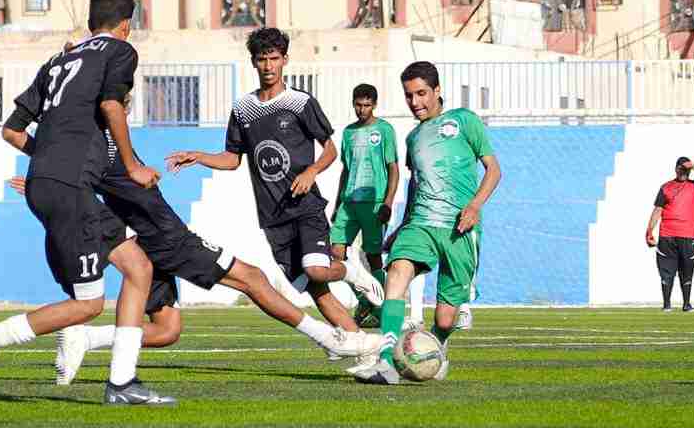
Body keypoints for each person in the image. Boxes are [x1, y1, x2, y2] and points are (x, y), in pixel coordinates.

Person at [7, 89, 382, 385]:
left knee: (167, 330)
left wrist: (48, 175)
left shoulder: (88, 146)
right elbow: (18, 133)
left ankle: (86, 339)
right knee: (252, 279)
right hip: (167, 236)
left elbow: (33, 145)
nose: (126, 104)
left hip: (143, 242)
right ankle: (328, 338)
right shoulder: (103, 143)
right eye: (122, 100)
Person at [0, 0, 172, 406]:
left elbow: (12, 131)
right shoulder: (119, 51)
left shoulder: (58, 60)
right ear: (127, 24)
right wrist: (131, 166)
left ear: (91, 21)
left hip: (50, 181)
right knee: (89, 305)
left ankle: (122, 383)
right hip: (69, 187)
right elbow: (112, 106)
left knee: (138, 267)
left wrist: (49, 159)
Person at [165, 28, 385, 354]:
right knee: (316, 291)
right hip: (273, 218)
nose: (268, 66)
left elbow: (330, 150)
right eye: (262, 59)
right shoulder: (243, 109)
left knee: (316, 268)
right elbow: (231, 160)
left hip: (306, 208)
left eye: (274, 58)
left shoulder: (300, 102)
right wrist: (198, 156)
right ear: (253, 62)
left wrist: (311, 171)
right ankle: (364, 348)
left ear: (285, 59)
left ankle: (352, 271)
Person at [355, 61, 501, 385]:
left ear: (437, 90)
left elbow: (494, 170)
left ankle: (438, 344)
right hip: (420, 223)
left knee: (445, 319)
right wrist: (401, 226)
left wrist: (474, 206)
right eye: (409, 95)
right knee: (397, 273)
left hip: (460, 228)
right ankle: (385, 363)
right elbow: (415, 185)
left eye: (421, 93)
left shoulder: (464, 121)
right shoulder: (412, 138)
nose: (415, 102)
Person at [329, 83, 398, 327]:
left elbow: (393, 168)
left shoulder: (384, 130)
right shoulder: (348, 132)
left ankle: (380, 308)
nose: (362, 109)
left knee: (374, 257)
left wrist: (387, 203)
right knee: (335, 254)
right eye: (358, 105)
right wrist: (337, 203)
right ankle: (364, 299)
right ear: (353, 104)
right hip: (349, 203)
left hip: (374, 203)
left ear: (374, 105)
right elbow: (346, 170)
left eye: (367, 105)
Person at [645, 157, 694, 312]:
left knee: (687, 271)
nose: (685, 172)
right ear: (676, 169)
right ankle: (666, 305)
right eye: (682, 169)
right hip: (667, 235)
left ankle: (686, 304)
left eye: (687, 170)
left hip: (688, 235)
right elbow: (658, 210)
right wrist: (649, 231)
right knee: (666, 271)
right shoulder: (666, 187)